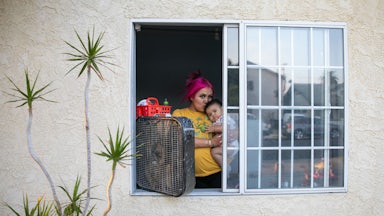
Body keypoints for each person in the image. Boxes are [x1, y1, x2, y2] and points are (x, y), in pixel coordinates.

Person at [172, 71, 222, 188]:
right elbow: (180, 139)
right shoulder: (179, 113)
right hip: (190, 175)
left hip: (217, 171)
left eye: (210, 97)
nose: (207, 101)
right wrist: (210, 142)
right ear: (191, 96)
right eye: (202, 96)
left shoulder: (213, 115)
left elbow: (232, 128)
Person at [205, 99, 239, 168]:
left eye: (215, 111)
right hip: (226, 145)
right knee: (214, 151)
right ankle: (225, 165)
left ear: (222, 109)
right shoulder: (216, 121)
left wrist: (214, 129)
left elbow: (226, 128)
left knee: (214, 152)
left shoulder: (225, 118)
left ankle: (225, 167)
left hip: (231, 146)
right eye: (210, 114)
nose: (213, 115)